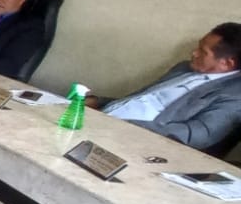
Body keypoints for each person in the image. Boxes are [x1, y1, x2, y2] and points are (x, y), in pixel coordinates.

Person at [91, 23, 241, 153]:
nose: (194, 53)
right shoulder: (184, 68)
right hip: (105, 120)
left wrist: (125, 124)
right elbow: (141, 99)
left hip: (135, 141)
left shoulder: (234, 95)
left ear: (227, 63)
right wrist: (98, 101)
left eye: (203, 51)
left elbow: (197, 135)